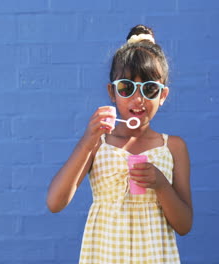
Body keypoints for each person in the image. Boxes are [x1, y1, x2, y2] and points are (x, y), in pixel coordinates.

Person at [46, 24, 193, 263]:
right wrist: (87, 141)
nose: (138, 99)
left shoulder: (174, 147)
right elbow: (54, 202)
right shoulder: (98, 143)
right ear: (112, 93)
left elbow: (184, 225)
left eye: (149, 88)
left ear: (163, 95)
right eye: (127, 87)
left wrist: (161, 185)